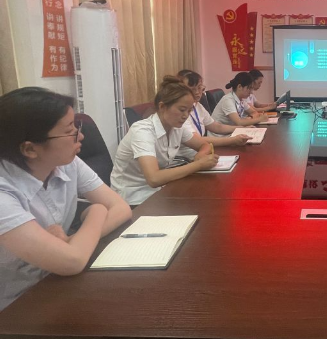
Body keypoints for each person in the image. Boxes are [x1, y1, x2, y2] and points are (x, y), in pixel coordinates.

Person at [0, 87, 131, 311]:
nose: (80, 136)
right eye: (70, 130)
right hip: (18, 304)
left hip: (59, 284)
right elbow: (72, 261)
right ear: (30, 149)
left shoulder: (68, 163)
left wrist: (73, 242)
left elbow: (121, 208)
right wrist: (97, 211)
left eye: (76, 126)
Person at [110, 76, 219, 205]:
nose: (185, 116)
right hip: (132, 198)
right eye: (182, 110)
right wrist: (198, 165)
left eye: (189, 111)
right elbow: (154, 178)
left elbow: (204, 145)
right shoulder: (142, 131)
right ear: (162, 107)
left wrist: (201, 154)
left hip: (158, 191)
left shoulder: (177, 127)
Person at [176, 70, 251, 158]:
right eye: (192, 89)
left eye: (199, 88)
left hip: (202, 152)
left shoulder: (197, 106)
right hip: (187, 158)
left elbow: (216, 126)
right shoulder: (180, 112)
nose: (197, 92)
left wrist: (242, 128)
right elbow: (198, 140)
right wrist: (232, 140)